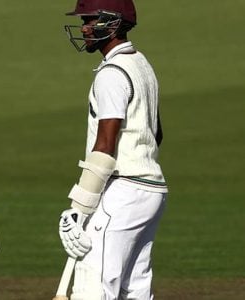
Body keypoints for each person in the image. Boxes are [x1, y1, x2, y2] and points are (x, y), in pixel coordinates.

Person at [58, 0, 168, 299]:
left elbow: (105, 146)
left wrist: (79, 209)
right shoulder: (141, 64)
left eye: (91, 20)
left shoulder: (111, 73)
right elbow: (156, 133)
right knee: (134, 289)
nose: (84, 27)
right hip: (152, 190)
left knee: (93, 287)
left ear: (113, 22)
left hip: (123, 189)